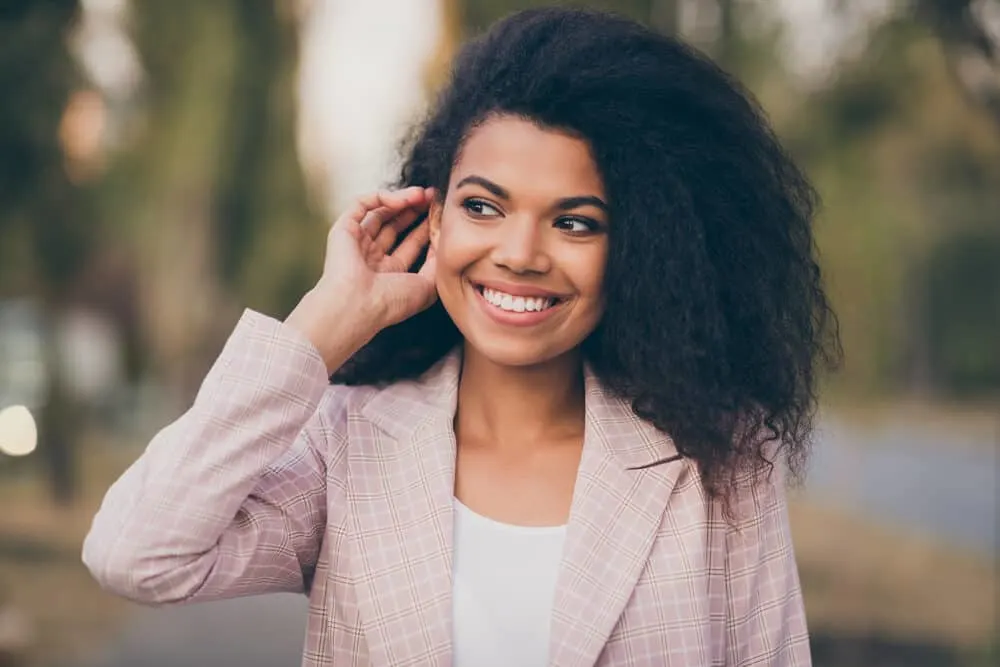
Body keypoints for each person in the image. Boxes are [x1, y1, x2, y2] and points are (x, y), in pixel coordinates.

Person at [83, 6, 839, 667]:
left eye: (575, 221)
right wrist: (324, 320)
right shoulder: (345, 444)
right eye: (484, 207)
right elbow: (136, 553)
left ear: (638, 249)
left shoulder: (721, 460)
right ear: (435, 219)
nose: (519, 252)